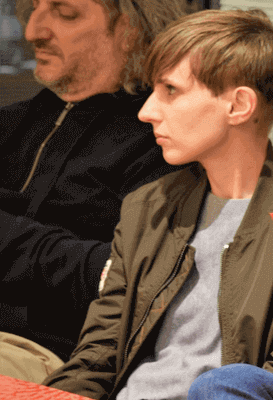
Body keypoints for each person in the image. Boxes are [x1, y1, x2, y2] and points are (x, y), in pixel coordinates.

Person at [41, 9, 273, 400]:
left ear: (239, 105)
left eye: (170, 90)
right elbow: (97, 358)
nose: (146, 111)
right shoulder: (147, 207)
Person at [0, 0, 185, 379]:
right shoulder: (12, 121)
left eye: (65, 13)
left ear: (130, 29)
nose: (33, 31)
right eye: (33, 8)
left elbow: (125, 277)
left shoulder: (163, 144)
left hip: (54, 353)